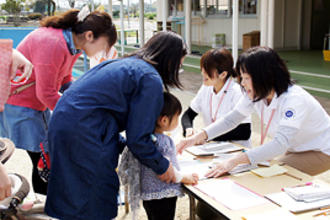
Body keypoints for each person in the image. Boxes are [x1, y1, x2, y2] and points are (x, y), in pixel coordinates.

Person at [45, 31, 187, 220]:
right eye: (179, 63)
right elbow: (139, 138)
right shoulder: (149, 78)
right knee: (95, 196)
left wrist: (123, 144)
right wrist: (163, 166)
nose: (179, 68)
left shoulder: (124, 64)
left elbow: (116, 120)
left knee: (73, 193)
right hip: (85, 133)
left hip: (66, 124)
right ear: (170, 59)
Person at [0, 7, 117, 195]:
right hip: (20, 103)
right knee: (44, 160)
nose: (104, 51)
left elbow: (64, 80)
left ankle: (47, 201)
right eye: (105, 45)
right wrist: (80, 115)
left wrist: (84, 101)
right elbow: (46, 94)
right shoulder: (53, 43)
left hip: (33, 102)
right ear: (89, 35)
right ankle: (46, 204)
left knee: (45, 158)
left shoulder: (72, 45)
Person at [177, 46, 330, 177]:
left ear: (264, 76)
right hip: (296, 147)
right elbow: (232, 119)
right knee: (264, 171)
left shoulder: (294, 100)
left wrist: (235, 160)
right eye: (241, 78)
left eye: (246, 78)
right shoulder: (256, 93)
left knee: (273, 175)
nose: (242, 84)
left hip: (321, 149)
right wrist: (197, 136)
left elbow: (279, 144)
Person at [119, 92, 198, 220]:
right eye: (177, 118)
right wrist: (185, 178)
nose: (178, 121)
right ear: (164, 120)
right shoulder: (162, 142)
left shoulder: (145, 139)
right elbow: (168, 170)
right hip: (163, 194)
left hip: (149, 194)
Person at [181, 48, 251, 147]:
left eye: (207, 70)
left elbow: (244, 132)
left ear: (223, 74)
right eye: (202, 68)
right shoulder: (206, 88)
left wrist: (204, 136)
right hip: (212, 146)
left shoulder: (237, 92)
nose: (203, 73)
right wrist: (188, 129)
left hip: (235, 148)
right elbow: (188, 115)